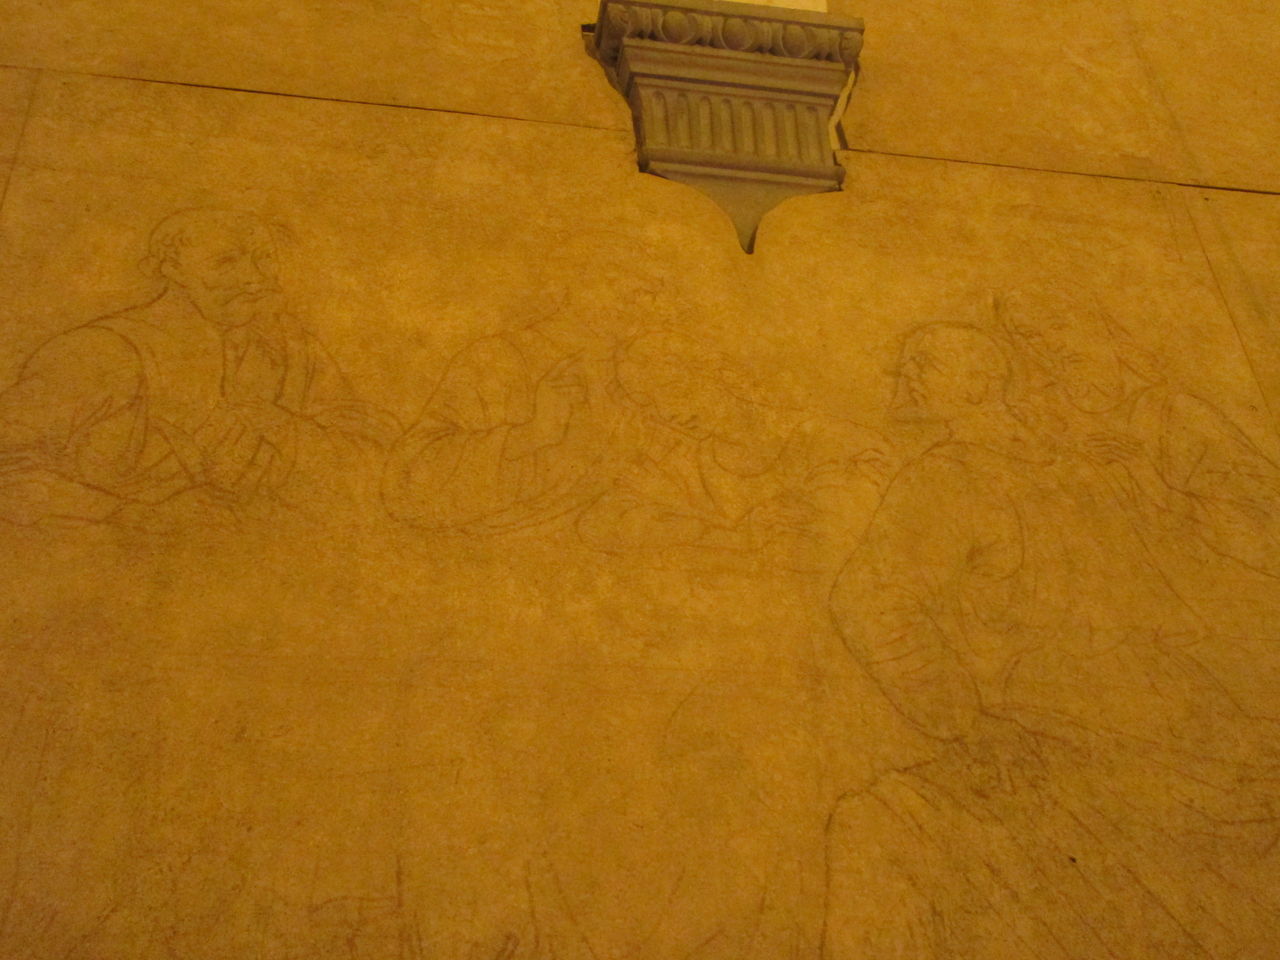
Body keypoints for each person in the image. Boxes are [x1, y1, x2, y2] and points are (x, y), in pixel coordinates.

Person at [824, 322, 1280, 959]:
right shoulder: (991, 470)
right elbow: (871, 602)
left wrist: (962, 722)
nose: (908, 380)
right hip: (1099, 713)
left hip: (1119, 711)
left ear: (980, 381)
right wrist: (960, 719)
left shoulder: (1022, 465)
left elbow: (869, 602)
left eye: (925, 364)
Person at [0, 208, 399, 530]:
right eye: (226, 262)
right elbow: (9, 468)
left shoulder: (292, 348)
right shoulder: (103, 351)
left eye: (264, 260)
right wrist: (126, 515)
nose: (255, 279)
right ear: (173, 270)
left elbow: (374, 454)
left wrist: (273, 425)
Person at [999, 289, 1280, 609]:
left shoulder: (1179, 414)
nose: (1051, 345)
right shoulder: (1039, 424)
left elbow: (1265, 523)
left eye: (1058, 325)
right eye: (1030, 336)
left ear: (1099, 325)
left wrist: (1149, 480)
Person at [576, 331, 891, 567]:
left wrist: (695, 525)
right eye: (649, 403)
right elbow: (599, 525)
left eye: (673, 389)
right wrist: (739, 538)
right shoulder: (682, 461)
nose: (666, 412)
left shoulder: (837, 442)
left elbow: (826, 548)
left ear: (718, 372)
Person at [382, 313, 642, 535]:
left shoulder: (640, 372)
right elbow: (409, 490)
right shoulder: (499, 360)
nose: (644, 297)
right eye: (619, 281)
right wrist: (532, 434)